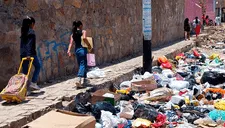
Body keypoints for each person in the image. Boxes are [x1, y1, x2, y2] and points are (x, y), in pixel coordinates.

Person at [67, 21, 92, 88]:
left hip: (77, 50)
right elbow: (84, 38)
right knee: (83, 64)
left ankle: (84, 80)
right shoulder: (83, 31)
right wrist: (89, 45)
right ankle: (79, 78)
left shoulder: (73, 34)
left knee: (81, 63)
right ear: (80, 25)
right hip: (82, 49)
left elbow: (71, 43)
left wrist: (69, 50)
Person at [20, 16, 41, 94]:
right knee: (38, 66)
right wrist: (28, 54)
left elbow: (23, 45)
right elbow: (29, 44)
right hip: (30, 53)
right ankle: (33, 83)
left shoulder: (23, 31)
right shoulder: (31, 31)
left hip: (22, 54)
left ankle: (25, 89)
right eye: (33, 24)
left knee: (25, 72)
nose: (33, 25)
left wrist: (23, 54)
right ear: (31, 24)